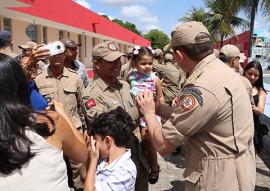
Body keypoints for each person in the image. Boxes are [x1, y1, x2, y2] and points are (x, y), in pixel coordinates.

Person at [135, 21, 256, 190]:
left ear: (179, 54)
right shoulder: (221, 71)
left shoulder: (201, 86)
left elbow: (163, 145)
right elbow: (200, 117)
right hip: (237, 168)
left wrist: (148, 113)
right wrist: (160, 108)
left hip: (218, 177)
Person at [0, 53, 88, 191]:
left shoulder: (73, 78)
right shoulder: (50, 121)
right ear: (20, 84)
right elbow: (82, 154)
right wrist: (63, 115)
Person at [81, 41, 149, 191]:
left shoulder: (124, 86)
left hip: (137, 156)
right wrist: (141, 108)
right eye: (111, 61)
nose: (117, 64)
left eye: (118, 59)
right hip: (112, 167)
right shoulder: (91, 94)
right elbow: (109, 130)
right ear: (97, 64)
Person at [34, 40, 85, 190]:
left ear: (64, 56)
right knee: (54, 167)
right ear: (48, 57)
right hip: (50, 131)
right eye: (53, 55)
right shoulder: (38, 79)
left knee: (79, 167)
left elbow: (83, 104)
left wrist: (88, 130)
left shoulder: (75, 78)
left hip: (74, 128)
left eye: (60, 54)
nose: (56, 57)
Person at [127, 46, 164, 184]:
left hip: (150, 113)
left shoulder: (155, 79)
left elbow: (160, 98)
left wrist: (161, 115)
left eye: (150, 63)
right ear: (135, 63)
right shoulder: (130, 76)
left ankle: (154, 167)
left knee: (147, 139)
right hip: (134, 113)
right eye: (143, 63)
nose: (147, 66)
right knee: (136, 142)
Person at [82, 107, 137, 191]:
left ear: (108, 141)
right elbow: (83, 177)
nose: (93, 143)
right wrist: (88, 157)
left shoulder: (126, 170)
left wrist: (93, 161)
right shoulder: (102, 159)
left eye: (96, 139)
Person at [244, 61, 267, 153]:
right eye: (249, 74)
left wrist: (253, 107)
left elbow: (260, 110)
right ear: (244, 72)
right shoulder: (237, 85)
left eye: (256, 75)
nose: (252, 77)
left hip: (253, 126)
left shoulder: (260, 91)